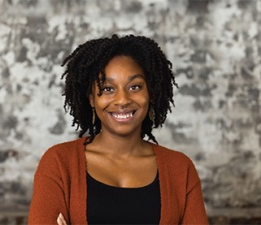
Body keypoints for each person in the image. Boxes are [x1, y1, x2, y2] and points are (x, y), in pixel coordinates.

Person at [28, 34, 209, 225]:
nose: (122, 100)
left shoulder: (180, 169)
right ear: (91, 98)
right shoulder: (59, 163)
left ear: (151, 93)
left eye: (134, 87)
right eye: (107, 89)